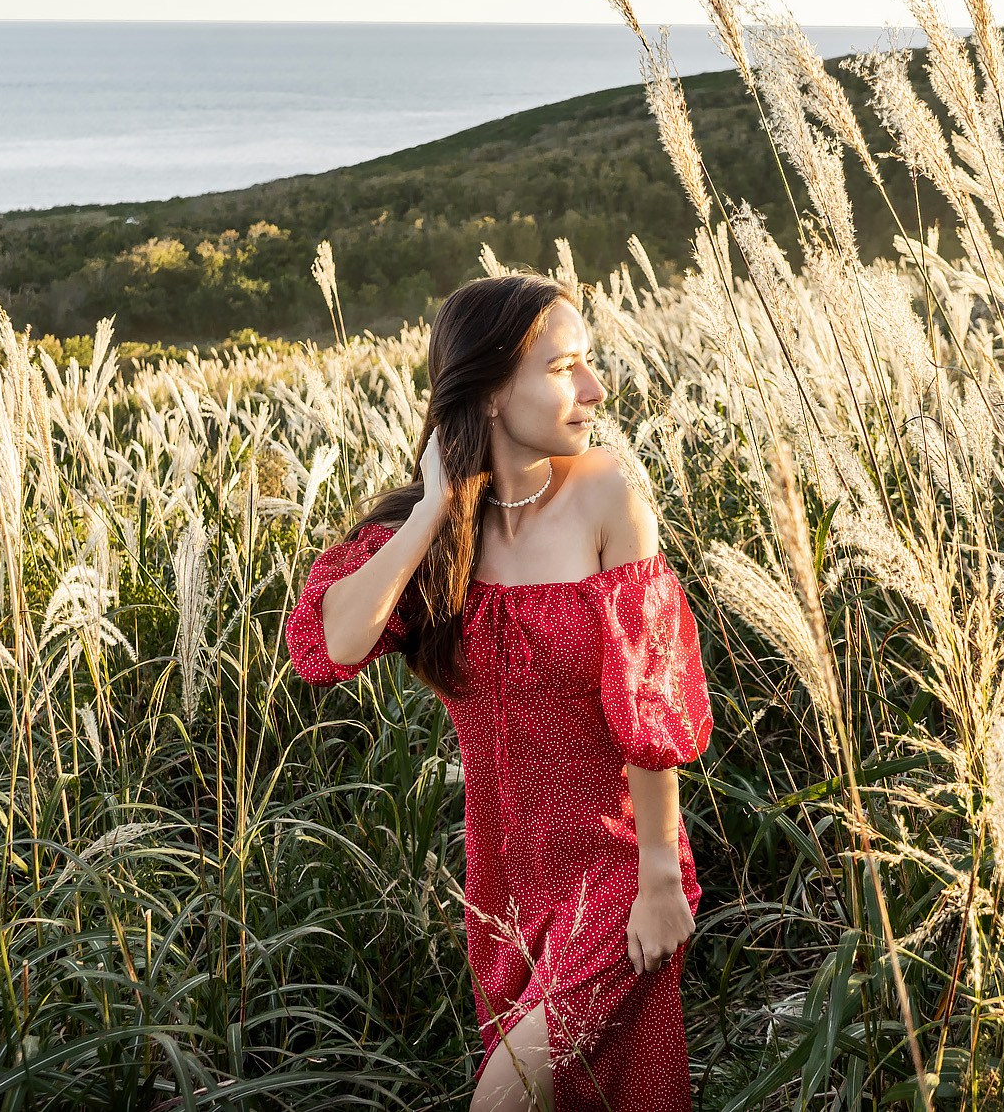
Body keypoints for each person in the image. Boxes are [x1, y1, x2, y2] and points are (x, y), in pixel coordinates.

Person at [283, 272, 714, 1112]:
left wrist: (662, 875)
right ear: (486, 389)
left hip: (616, 875)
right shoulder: (436, 536)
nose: (594, 388)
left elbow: (648, 699)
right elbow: (331, 644)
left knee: (503, 1100)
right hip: (502, 892)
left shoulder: (606, 493)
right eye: (564, 368)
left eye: (588, 363)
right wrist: (431, 511)